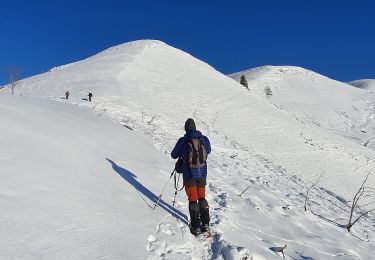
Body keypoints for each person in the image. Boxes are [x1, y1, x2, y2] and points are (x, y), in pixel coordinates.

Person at [171, 118, 211, 235]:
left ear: (186, 128)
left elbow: (174, 155)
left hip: (189, 175)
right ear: (195, 127)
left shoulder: (183, 141)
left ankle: (196, 226)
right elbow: (208, 151)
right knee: (202, 198)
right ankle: (206, 224)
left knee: (193, 199)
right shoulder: (203, 139)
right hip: (202, 174)